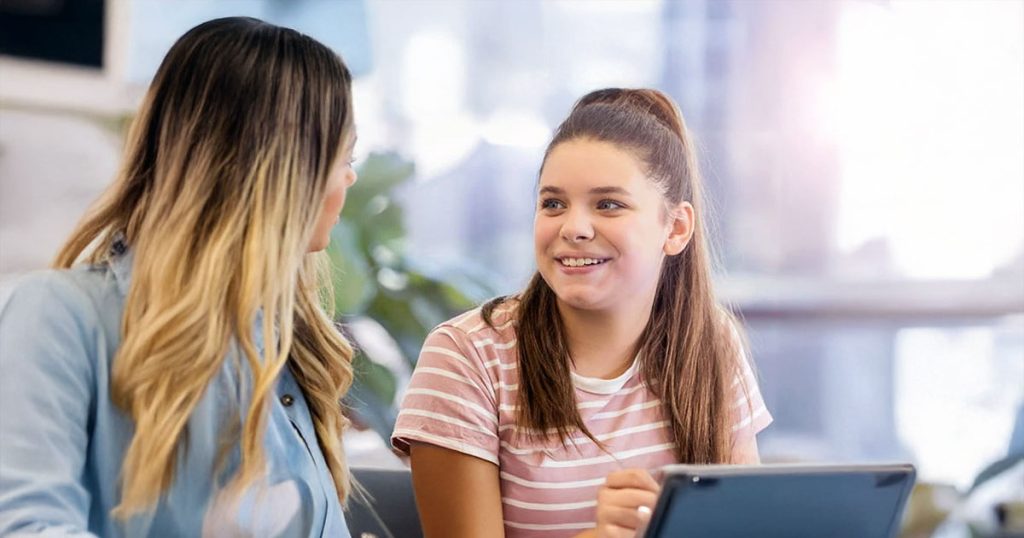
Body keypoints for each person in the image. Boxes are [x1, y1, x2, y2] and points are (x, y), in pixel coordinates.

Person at [0, 17, 359, 537]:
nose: (350, 176)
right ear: (281, 166)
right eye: (342, 156)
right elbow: (28, 525)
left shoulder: (288, 350)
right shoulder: (58, 315)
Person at [392, 88, 772, 538]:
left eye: (607, 204)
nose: (573, 228)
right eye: (553, 203)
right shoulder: (467, 356)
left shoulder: (712, 343)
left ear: (676, 227)